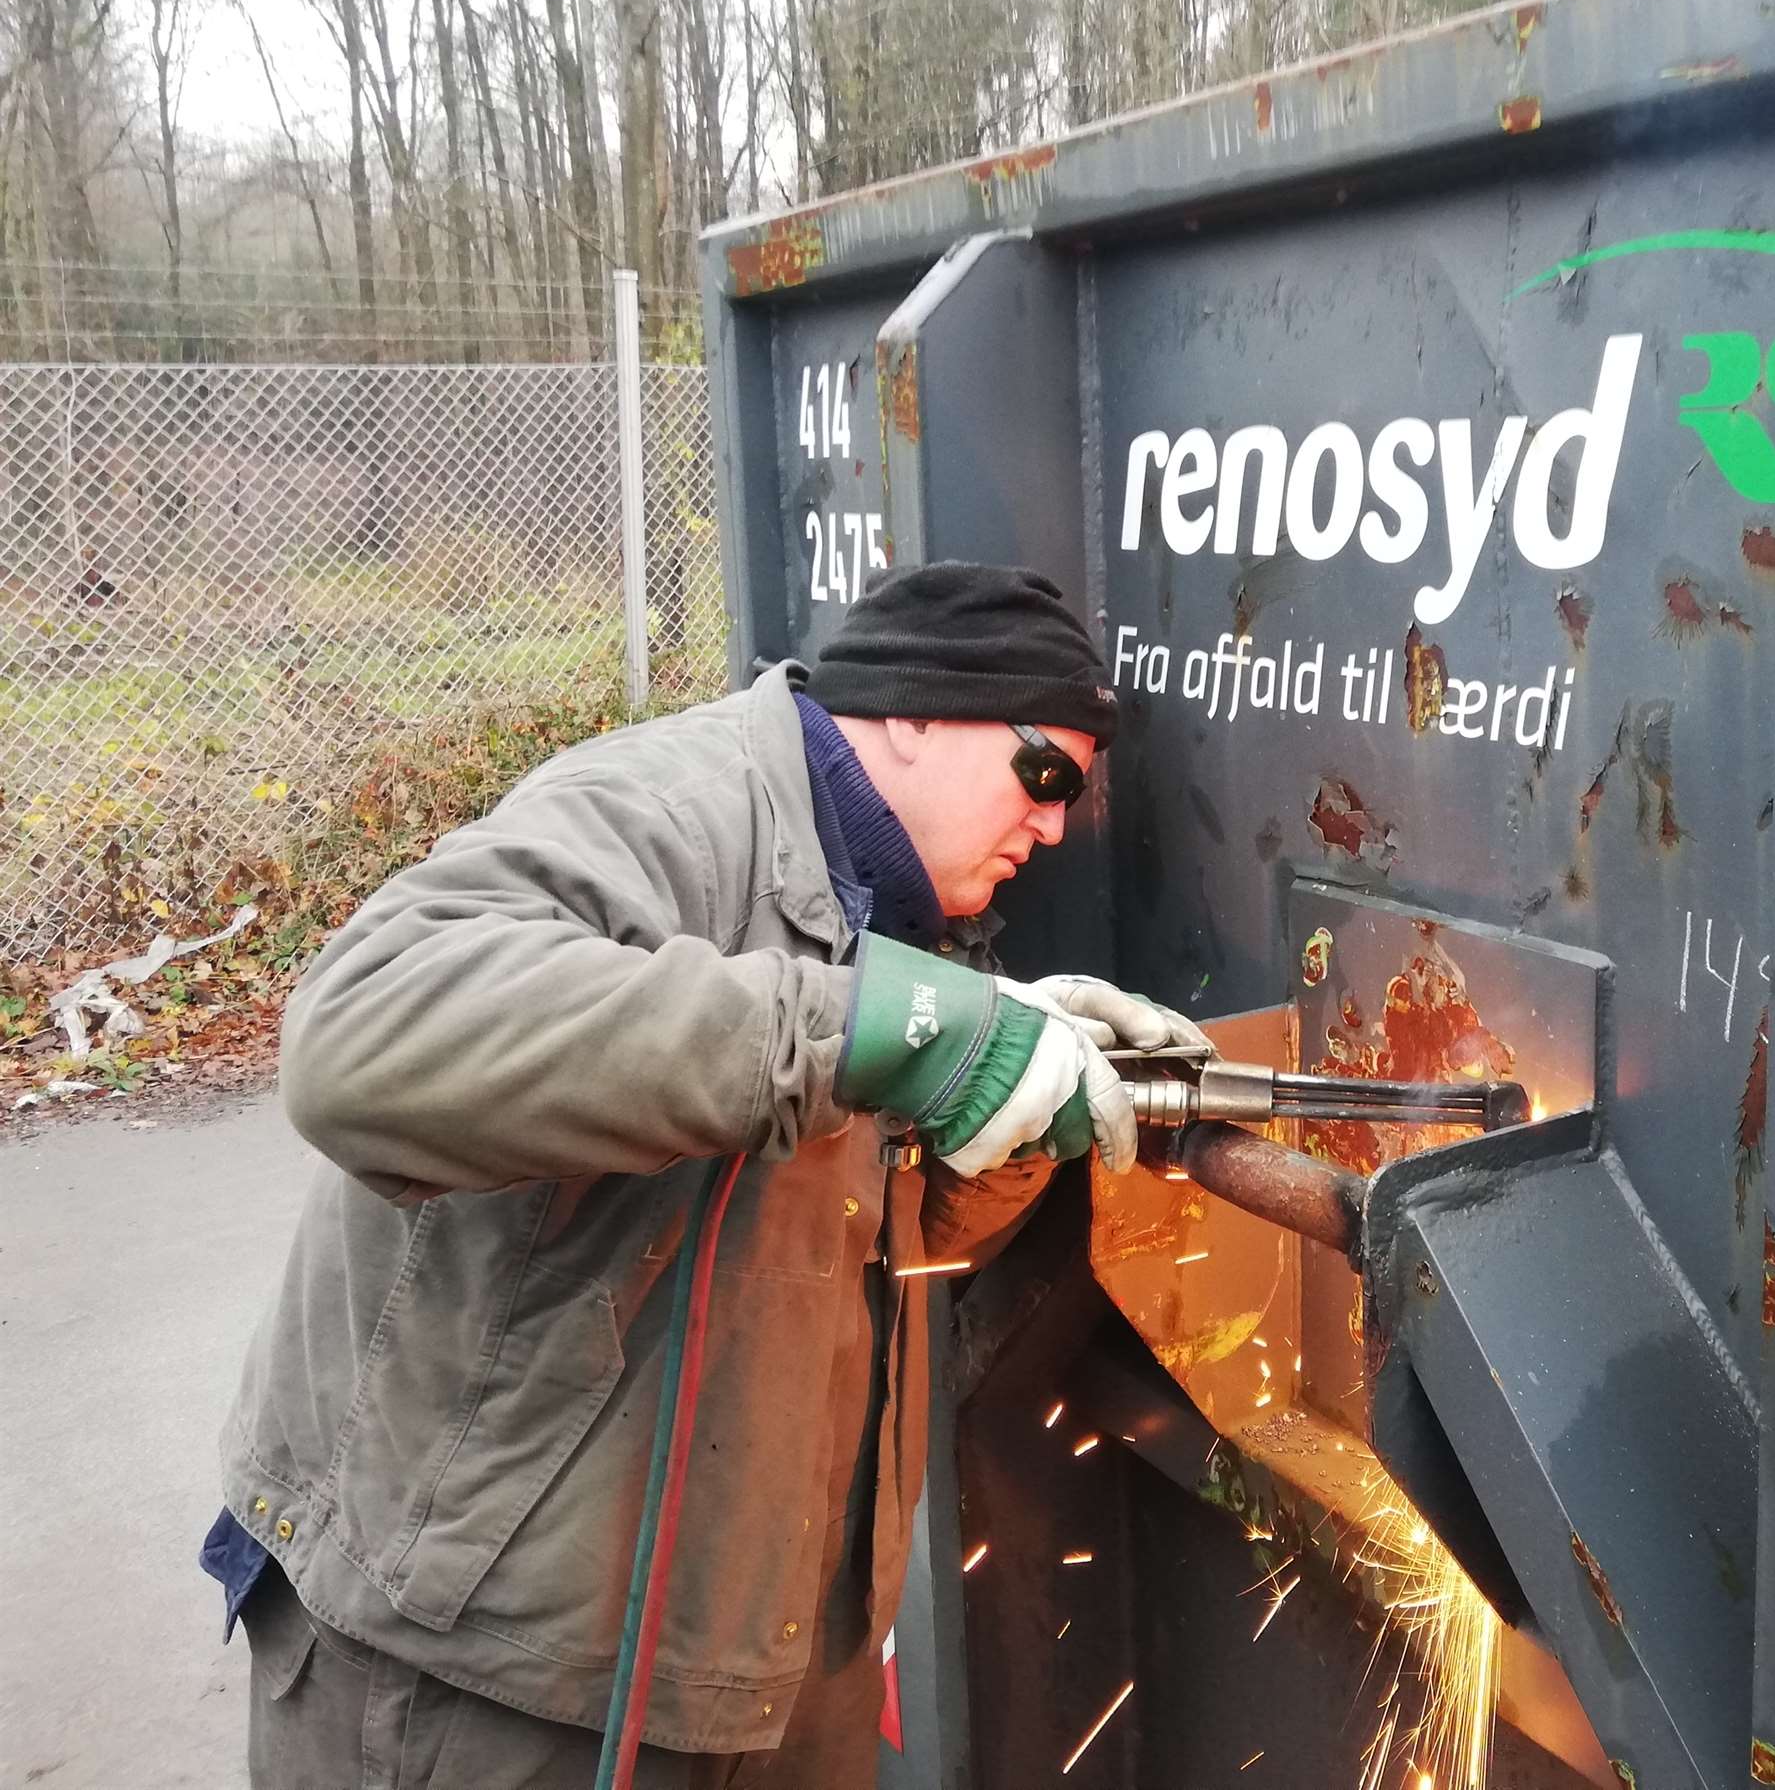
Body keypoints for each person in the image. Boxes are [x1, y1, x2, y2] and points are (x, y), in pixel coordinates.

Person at [204, 562, 1199, 1787]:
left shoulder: (890, 908)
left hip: (755, 1662)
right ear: (912, 712)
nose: (1052, 824)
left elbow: (867, 1251)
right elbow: (359, 1036)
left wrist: (1005, 1116)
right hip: (480, 1669)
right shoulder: (665, 808)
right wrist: (879, 1026)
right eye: (1043, 773)